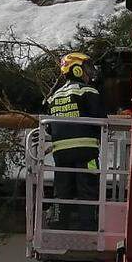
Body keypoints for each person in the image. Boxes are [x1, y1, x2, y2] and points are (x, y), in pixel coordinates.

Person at [44, 52, 106, 230]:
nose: (89, 73)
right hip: (86, 151)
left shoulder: (54, 96)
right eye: (86, 68)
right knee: (87, 188)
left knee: (62, 189)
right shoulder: (88, 91)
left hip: (61, 154)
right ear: (77, 70)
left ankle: (58, 222)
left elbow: (49, 127)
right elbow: (101, 119)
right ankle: (89, 225)